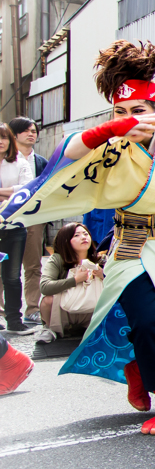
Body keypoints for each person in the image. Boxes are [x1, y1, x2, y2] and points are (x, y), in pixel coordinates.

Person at [0, 39, 155, 435]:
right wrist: (114, 129)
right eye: (121, 112)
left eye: (138, 111)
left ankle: (137, 365)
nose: (131, 119)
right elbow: (68, 151)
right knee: (145, 324)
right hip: (131, 245)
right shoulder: (110, 147)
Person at [36, 223, 103, 344]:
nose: (83, 237)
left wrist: (103, 276)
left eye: (85, 234)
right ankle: (48, 328)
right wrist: (75, 280)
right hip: (64, 309)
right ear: (65, 241)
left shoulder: (101, 259)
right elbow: (44, 287)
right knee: (48, 300)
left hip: (93, 310)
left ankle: (95, 328)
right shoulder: (57, 259)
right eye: (76, 235)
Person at [10, 117, 47, 324]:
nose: (31, 134)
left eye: (34, 130)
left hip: (34, 217)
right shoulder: (6, 160)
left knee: (33, 266)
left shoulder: (41, 161)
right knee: (4, 264)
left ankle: (32, 308)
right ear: (14, 135)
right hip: (6, 218)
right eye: (26, 131)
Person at [0, 123, 32, 334]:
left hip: (14, 226)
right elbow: (17, 192)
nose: (1, 142)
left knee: (12, 276)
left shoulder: (19, 162)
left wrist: (2, 191)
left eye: (3, 137)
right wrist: (10, 193)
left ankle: (14, 321)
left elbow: (28, 189)